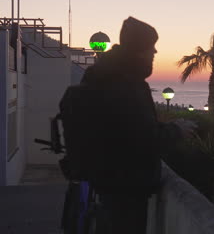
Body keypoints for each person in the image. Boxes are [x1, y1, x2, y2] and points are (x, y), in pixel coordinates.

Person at [61, 17, 179, 233]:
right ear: (139, 50)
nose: (155, 52)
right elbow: (145, 139)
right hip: (126, 189)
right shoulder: (128, 85)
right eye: (151, 47)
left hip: (103, 182)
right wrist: (179, 130)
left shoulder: (99, 76)